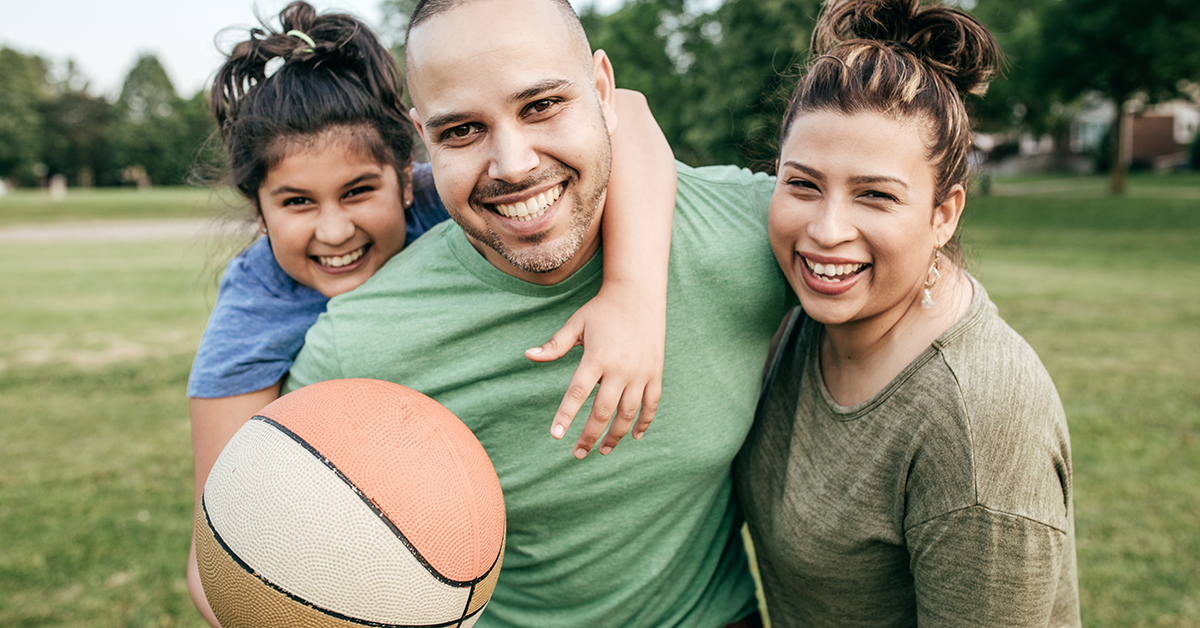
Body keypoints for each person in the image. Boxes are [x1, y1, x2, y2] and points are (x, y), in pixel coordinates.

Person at [284, 0, 793, 626]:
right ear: (424, 137)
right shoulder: (360, 343)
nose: (514, 164)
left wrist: (637, 292)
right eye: (461, 131)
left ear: (602, 89)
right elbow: (264, 547)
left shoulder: (754, 230)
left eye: (542, 105)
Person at [185, 2, 680, 625]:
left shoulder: (459, 193)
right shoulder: (254, 309)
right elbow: (213, 553)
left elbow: (627, 111)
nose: (335, 230)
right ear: (258, 209)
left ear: (405, 177)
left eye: (359, 191)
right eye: (297, 202)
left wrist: (633, 293)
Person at [733, 0, 1081, 625]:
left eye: (875, 195)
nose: (826, 231)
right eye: (803, 184)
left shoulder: (978, 424)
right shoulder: (798, 309)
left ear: (944, 214)